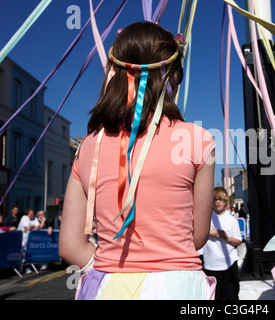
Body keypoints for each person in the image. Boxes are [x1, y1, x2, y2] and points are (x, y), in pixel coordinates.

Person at [59, 22, 216, 300]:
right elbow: (197, 236)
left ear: (113, 74)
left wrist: (109, 275)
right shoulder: (197, 140)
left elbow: (70, 246)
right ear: (172, 78)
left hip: (107, 286)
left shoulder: (87, 146)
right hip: (176, 287)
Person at [202, 187, 242, 300]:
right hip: (210, 265)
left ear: (226, 202)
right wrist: (210, 232)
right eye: (215, 199)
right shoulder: (205, 218)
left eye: (221, 199)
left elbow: (238, 240)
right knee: (213, 297)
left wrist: (227, 238)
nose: (218, 202)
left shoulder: (232, 220)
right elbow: (194, 233)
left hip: (229, 265)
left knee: (232, 297)